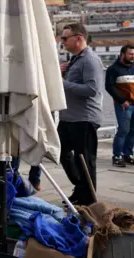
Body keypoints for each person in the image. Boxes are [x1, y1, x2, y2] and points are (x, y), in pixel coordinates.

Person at [58, 23, 103, 206]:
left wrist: (62, 83)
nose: (62, 42)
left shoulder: (90, 60)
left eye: (65, 38)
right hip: (69, 118)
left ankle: (89, 199)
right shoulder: (76, 59)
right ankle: (80, 188)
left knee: (85, 160)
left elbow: (92, 89)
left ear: (78, 38)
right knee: (62, 153)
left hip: (84, 118)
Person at [105, 44, 134, 167]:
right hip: (124, 105)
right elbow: (109, 87)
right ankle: (117, 156)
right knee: (123, 130)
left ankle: (128, 155)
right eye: (130, 54)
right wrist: (122, 101)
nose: (133, 56)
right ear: (122, 54)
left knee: (133, 131)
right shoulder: (113, 69)